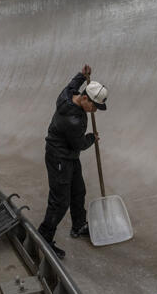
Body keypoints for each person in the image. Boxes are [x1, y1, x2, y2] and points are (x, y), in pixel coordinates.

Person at [38, 64, 108, 259]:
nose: (94, 111)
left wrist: (82, 75)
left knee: (78, 191)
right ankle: (44, 237)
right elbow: (79, 144)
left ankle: (78, 225)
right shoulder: (72, 120)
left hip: (69, 156)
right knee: (60, 201)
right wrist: (92, 138)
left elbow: (72, 84)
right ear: (85, 98)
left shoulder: (69, 94)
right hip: (59, 158)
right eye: (94, 106)